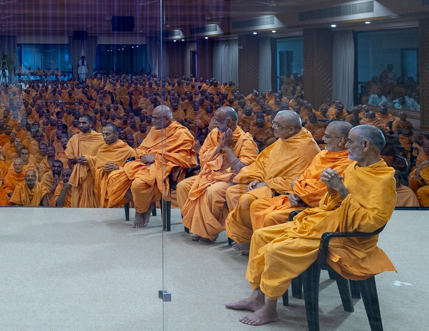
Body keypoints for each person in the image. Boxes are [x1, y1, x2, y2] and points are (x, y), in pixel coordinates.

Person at [226, 124, 396, 327]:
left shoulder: (383, 180)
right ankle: (256, 297)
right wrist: (332, 189)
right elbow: (331, 205)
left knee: (275, 250)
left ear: (365, 145)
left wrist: (341, 190)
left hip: (347, 239)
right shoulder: (354, 167)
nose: (346, 145)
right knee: (261, 235)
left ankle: (270, 310)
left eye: (350, 141)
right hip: (327, 223)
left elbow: (369, 223)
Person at [223, 111, 319, 253]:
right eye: (273, 123)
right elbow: (263, 163)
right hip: (267, 183)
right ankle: (246, 236)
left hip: (283, 191)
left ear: (291, 129)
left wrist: (268, 184)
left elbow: (300, 180)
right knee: (233, 192)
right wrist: (257, 178)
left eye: (277, 125)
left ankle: (250, 240)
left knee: (246, 199)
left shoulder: (306, 147)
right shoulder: (284, 139)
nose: (273, 127)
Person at [242, 121, 354, 235]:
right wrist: (294, 193)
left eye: (327, 136)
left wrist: (297, 188)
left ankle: (271, 243)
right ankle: (258, 240)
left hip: (314, 205)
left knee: (272, 217)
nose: (323, 139)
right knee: (258, 205)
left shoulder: (347, 162)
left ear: (341, 141)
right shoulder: (322, 155)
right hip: (298, 197)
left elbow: (320, 191)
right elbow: (303, 178)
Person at [103, 105, 194, 227]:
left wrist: (156, 158)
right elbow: (141, 149)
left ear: (167, 119)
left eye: (156, 118)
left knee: (138, 184)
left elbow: (183, 157)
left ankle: (140, 211)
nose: (152, 121)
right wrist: (143, 157)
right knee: (113, 178)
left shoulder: (181, 133)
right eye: (152, 117)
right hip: (144, 166)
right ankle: (148, 204)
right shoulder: (154, 130)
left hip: (166, 169)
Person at [176, 106, 258, 242]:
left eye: (218, 120)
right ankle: (198, 227)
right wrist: (219, 147)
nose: (214, 123)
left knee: (212, 192)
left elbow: (245, 169)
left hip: (230, 177)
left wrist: (228, 149)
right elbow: (202, 157)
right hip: (210, 174)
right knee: (183, 187)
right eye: (215, 120)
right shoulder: (214, 134)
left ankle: (209, 232)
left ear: (230, 121)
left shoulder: (245, 140)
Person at [63, 115, 104, 208]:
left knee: (94, 205)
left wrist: (88, 159)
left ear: (91, 124)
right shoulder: (74, 139)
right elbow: (70, 160)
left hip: (94, 176)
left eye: (84, 123)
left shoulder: (100, 139)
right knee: (78, 204)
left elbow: (105, 158)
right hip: (79, 178)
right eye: (79, 123)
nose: (81, 125)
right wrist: (77, 160)